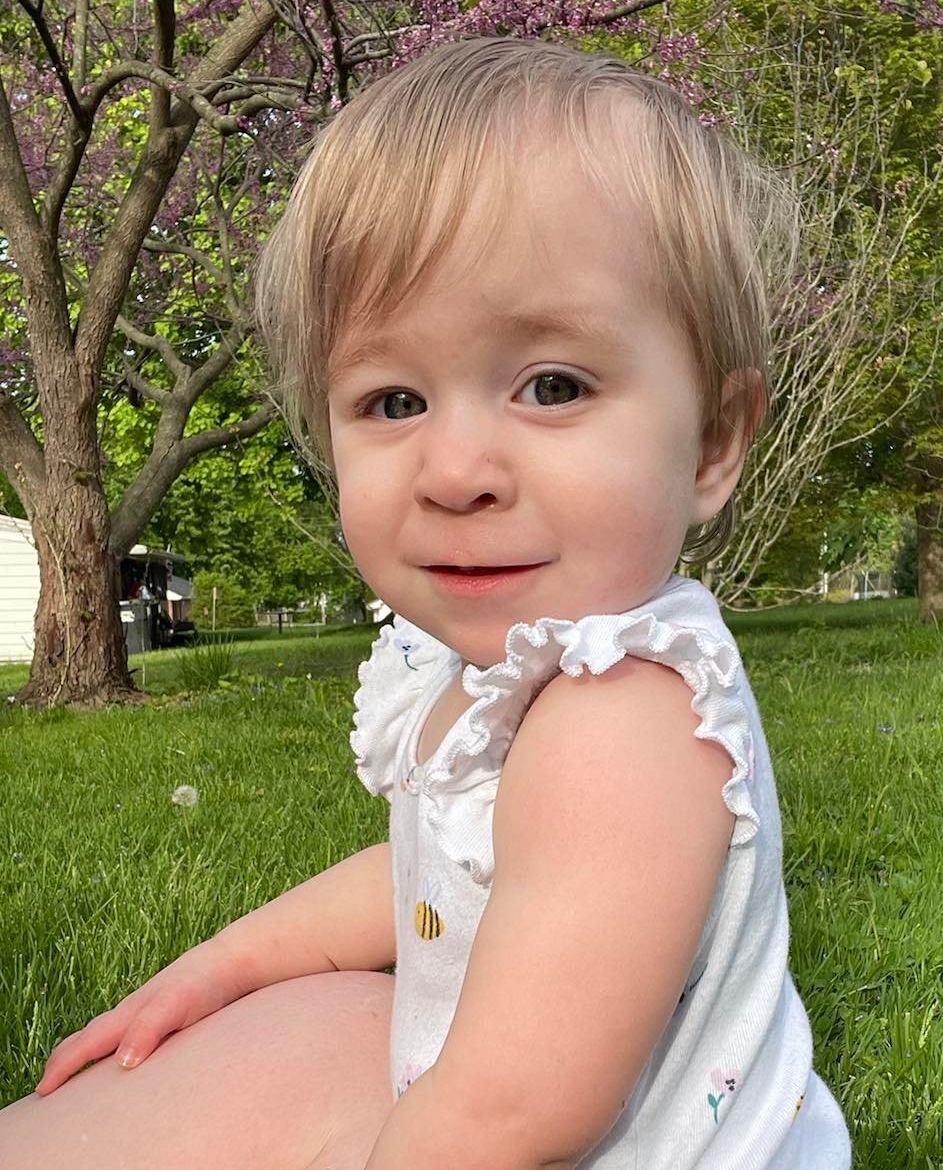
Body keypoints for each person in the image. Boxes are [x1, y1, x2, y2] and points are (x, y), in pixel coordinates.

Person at [0, 35, 850, 1169]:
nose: (455, 473)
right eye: (394, 400)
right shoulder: (496, 672)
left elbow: (517, 1111)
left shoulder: (625, 719)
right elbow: (435, 876)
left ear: (712, 442)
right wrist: (224, 968)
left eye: (553, 386)